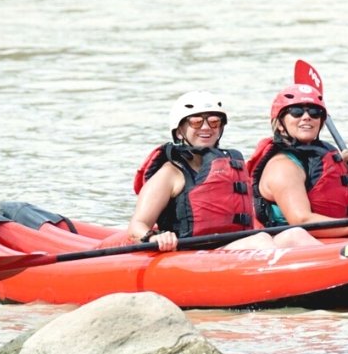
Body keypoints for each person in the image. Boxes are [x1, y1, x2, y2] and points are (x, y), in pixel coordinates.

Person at [127, 91, 316, 251]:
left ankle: (335, 272)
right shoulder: (170, 173)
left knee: (295, 234)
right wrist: (154, 237)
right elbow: (137, 225)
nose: (206, 128)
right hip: (194, 253)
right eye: (195, 122)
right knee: (261, 240)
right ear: (178, 130)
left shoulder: (227, 166)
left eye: (214, 122)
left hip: (235, 245)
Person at [247, 83, 348, 238]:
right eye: (296, 112)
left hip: (329, 236)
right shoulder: (283, 167)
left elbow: (315, 184)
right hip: (293, 241)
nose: (306, 117)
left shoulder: (310, 158)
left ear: (321, 121)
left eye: (314, 112)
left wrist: (339, 171)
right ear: (281, 125)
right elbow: (303, 221)